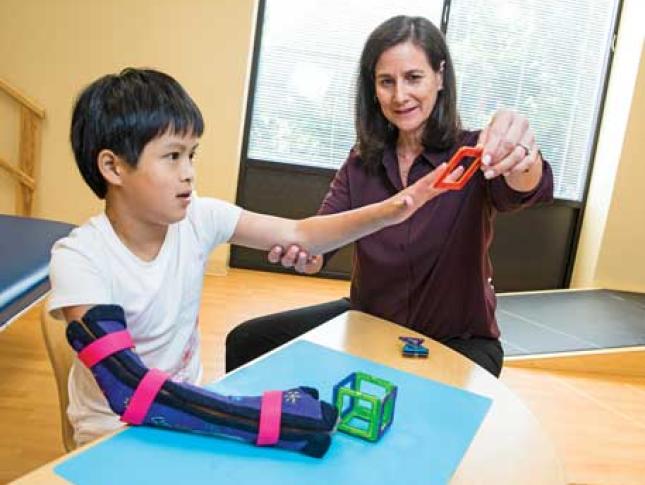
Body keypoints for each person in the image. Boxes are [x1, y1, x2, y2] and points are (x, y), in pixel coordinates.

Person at [48, 67, 461, 447]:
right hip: (113, 437)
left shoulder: (199, 218)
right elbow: (130, 392)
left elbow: (301, 233)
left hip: (189, 414)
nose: (189, 172)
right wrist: (271, 419)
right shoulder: (79, 259)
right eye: (172, 156)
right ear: (113, 167)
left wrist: (397, 208)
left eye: (192, 155)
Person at [225, 15, 554, 378]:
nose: (400, 96)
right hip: (371, 327)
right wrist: (304, 256)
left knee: (407, 404)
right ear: (373, 88)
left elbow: (527, 187)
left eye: (414, 78)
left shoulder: (474, 152)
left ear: (440, 76)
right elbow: (320, 244)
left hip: (458, 341)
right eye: (386, 82)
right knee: (248, 341)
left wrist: (522, 154)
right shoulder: (360, 162)